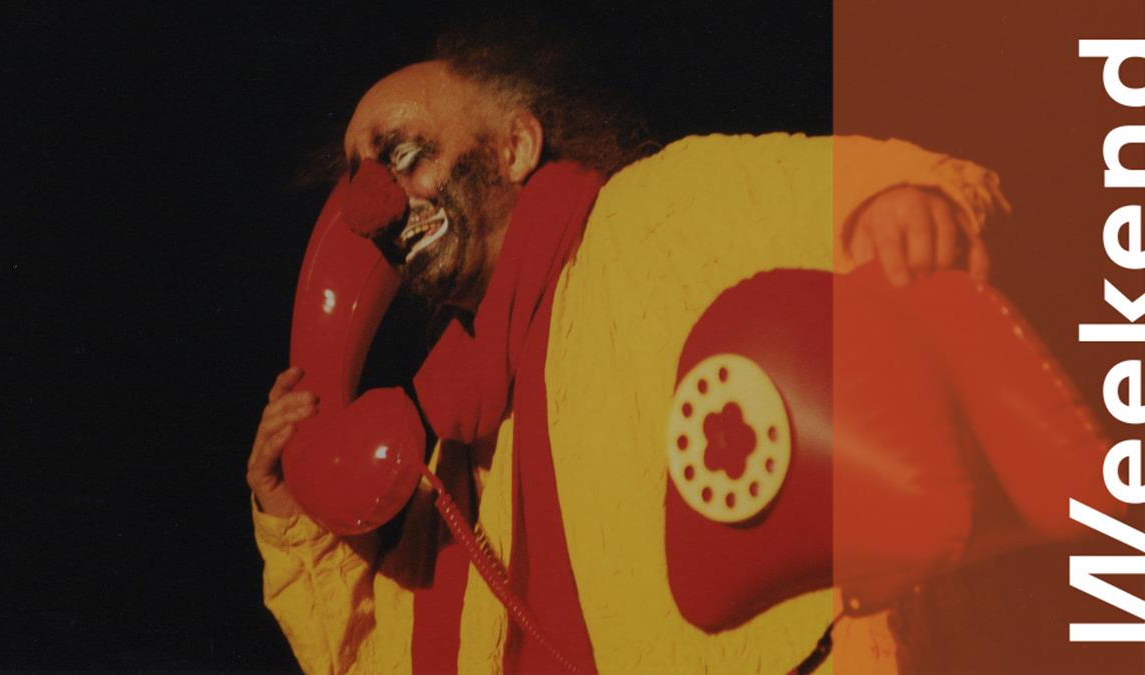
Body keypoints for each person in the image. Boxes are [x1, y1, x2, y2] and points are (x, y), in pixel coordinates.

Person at [246, 36, 1021, 673]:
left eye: (405, 154)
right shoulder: (450, 440)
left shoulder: (654, 217)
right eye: (359, 179)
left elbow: (850, 189)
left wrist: (904, 206)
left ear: (515, 147)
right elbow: (378, 662)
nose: (372, 208)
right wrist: (301, 511)